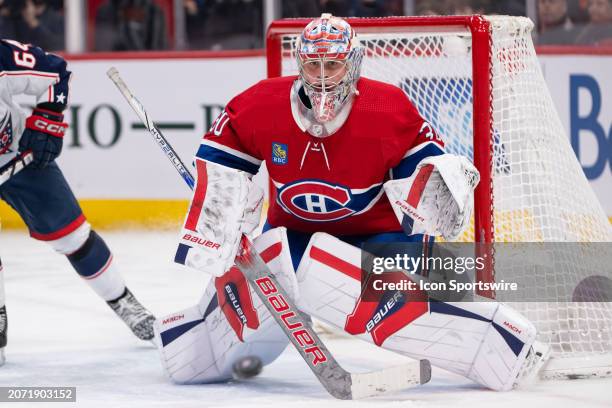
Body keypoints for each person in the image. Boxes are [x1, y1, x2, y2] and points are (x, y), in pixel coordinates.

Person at [153, 14, 548, 391]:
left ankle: (504, 346)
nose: (322, 77)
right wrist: (223, 217)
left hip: (381, 240)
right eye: (313, 66)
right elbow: (223, 156)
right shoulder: (262, 104)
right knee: (233, 311)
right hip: (293, 240)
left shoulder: (386, 108)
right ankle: (195, 340)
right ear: (299, 64)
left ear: (353, 63)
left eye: (333, 65)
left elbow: (424, 177)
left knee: (429, 289)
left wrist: (440, 185)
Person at [0, 39, 156, 364]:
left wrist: (48, 120)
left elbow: (54, 71)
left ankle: (123, 300)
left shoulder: (2, 56)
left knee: (72, 236)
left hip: (13, 155)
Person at [94, 0, 167, 51]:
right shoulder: (106, 11)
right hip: (116, 66)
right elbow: (104, 52)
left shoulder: (153, 11)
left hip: (148, 66)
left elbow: (158, 49)